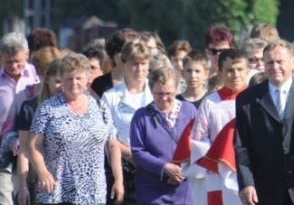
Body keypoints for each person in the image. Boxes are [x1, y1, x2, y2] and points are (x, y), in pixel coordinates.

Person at [28, 53, 124, 205]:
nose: (74, 82)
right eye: (69, 78)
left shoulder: (100, 107)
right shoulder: (47, 108)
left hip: (93, 192)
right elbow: (33, 145)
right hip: (57, 191)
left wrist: (118, 180)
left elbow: (113, 146)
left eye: (78, 78)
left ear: (87, 79)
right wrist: (43, 172)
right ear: (62, 80)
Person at [235, 40, 294, 205]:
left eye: (280, 62)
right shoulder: (247, 99)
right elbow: (242, 145)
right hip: (264, 189)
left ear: (293, 63)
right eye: (270, 62)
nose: (275, 67)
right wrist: (247, 183)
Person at [188, 49, 248, 205]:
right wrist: (219, 158)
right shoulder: (210, 102)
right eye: (230, 70)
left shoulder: (255, 99)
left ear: (247, 71)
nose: (236, 75)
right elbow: (198, 139)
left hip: (249, 169)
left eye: (240, 69)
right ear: (220, 73)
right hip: (219, 172)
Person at [130, 67, 197, 205]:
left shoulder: (189, 110)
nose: (164, 98)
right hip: (152, 192)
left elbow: (199, 143)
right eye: (159, 93)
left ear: (176, 90)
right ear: (151, 90)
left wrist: (182, 170)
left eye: (169, 93)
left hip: (185, 191)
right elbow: (138, 152)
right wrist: (164, 167)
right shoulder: (141, 116)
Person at [101, 40, 153, 205]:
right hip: (123, 170)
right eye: (134, 64)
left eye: (143, 63)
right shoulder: (110, 97)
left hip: (154, 170)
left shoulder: (157, 94)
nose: (140, 69)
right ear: (123, 64)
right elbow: (107, 137)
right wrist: (132, 155)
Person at [16, 58, 64, 205]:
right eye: (58, 81)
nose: (62, 87)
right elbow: (24, 150)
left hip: (67, 179)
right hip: (39, 179)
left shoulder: (75, 108)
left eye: (66, 81)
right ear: (47, 79)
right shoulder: (30, 108)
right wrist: (22, 186)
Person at [0, 32, 40, 201]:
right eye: (8, 62)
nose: (14, 66)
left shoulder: (37, 76)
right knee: (4, 194)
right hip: (3, 144)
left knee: (31, 193)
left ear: (27, 54)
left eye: (18, 61)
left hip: (33, 141)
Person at [92, 29, 141, 98]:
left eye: (130, 52)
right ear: (113, 54)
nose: (126, 56)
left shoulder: (147, 83)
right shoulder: (99, 83)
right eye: (121, 51)